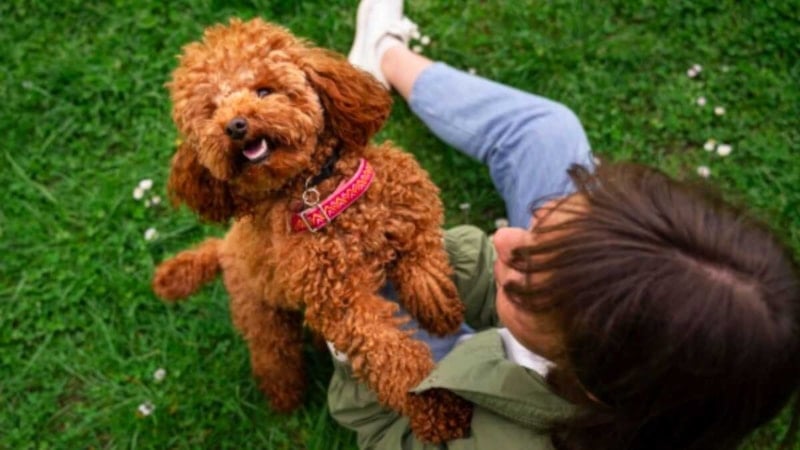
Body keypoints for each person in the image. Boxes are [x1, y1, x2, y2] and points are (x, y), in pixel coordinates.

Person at [327, 1, 800, 449]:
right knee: (548, 134)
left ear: (589, 383)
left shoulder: (497, 441)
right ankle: (384, 56)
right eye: (547, 222)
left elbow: (386, 434)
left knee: (366, 286)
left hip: (456, 386)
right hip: (556, 345)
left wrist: (356, 348)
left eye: (525, 275)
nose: (502, 237)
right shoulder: (654, 366)